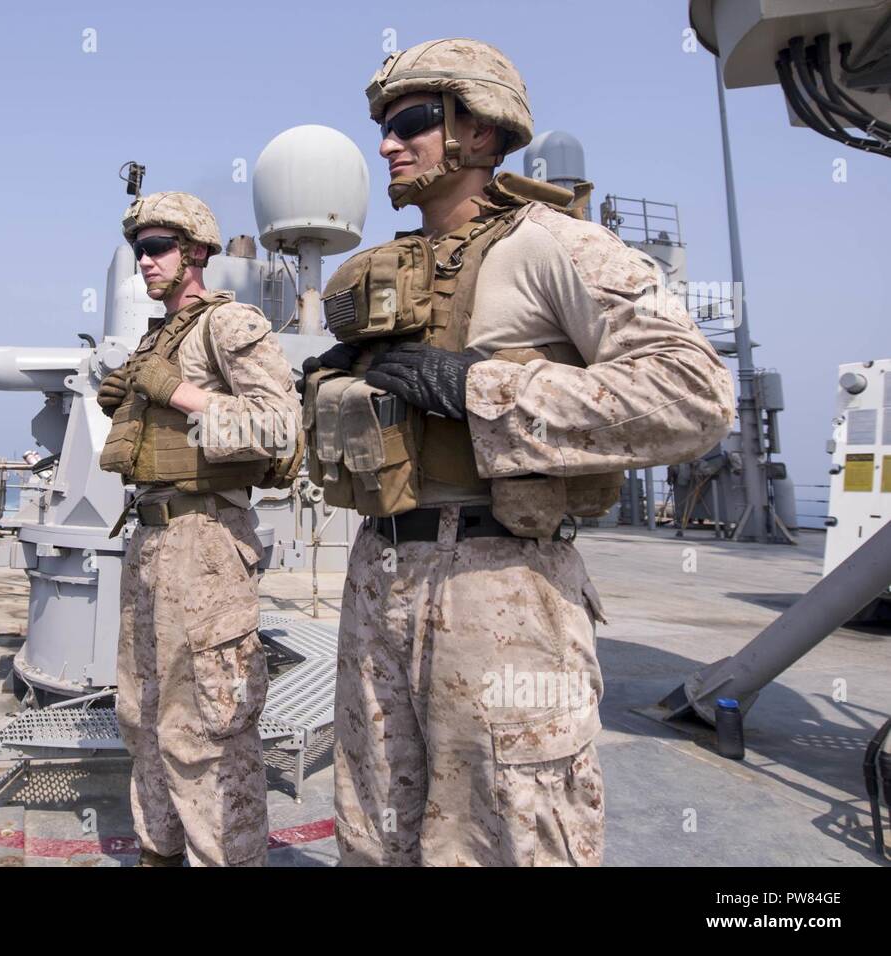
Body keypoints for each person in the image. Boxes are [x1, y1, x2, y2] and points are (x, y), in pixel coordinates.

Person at [301, 39, 735, 865]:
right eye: (383, 127)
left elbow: (694, 395)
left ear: (480, 128)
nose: (387, 144)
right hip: (378, 572)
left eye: (411, 121)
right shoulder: (388, 275)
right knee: (372, 827)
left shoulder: (555, 245)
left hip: (500, 583)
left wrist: (480, 388)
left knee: (510, 832)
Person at [97, 191, 302, 866]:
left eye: (158, 248)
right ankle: (158, 851)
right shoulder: (157, 338)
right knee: (143, 715)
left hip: (205, 543)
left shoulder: (229, 324)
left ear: (195, 253)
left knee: (210, 726)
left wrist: (176, 391)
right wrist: (128, 396)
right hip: (151, 539)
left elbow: (280, 429)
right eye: (139, 250)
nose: (145, 261)